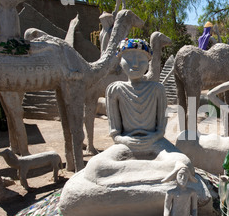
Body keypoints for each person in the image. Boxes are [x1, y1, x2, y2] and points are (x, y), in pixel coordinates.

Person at [83, 38, 195, 186]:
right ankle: (156, 176)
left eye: (141, 60)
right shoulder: (115, 89)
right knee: (95, 167)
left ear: (148, 62)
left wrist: (152, 139)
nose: (135, 64)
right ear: (120, 61)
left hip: (155, 142)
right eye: (128, 59)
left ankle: (126, 178)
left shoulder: (157, 89)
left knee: (184, 163)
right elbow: (115, 133)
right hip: (126, 144)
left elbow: (160, 130)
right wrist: (126, 140)